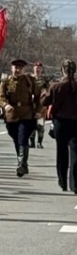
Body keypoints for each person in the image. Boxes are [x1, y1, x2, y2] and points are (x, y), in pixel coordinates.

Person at [0, 58, 44, 178]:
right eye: (15, 67)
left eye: (20, 68)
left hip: (26, 114)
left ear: (24, 69)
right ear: (11, 68)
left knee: (23, 138)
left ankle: (22, 164)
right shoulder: (6, 81)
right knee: (16, 139)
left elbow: (39, 97)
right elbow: (0, 97)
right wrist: (6, 105)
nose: (17, 70)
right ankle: (22, 162)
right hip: (11, 115)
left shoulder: (30, 81)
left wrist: (39, 111)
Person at [42, 60, 77, 193]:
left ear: (62, 71)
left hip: (60, 123)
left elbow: (45, 101)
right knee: (75, 153)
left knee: (61, 152)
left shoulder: (55, 86)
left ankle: (62, 182)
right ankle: (75, 183)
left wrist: (44, 92)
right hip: (75, 122)